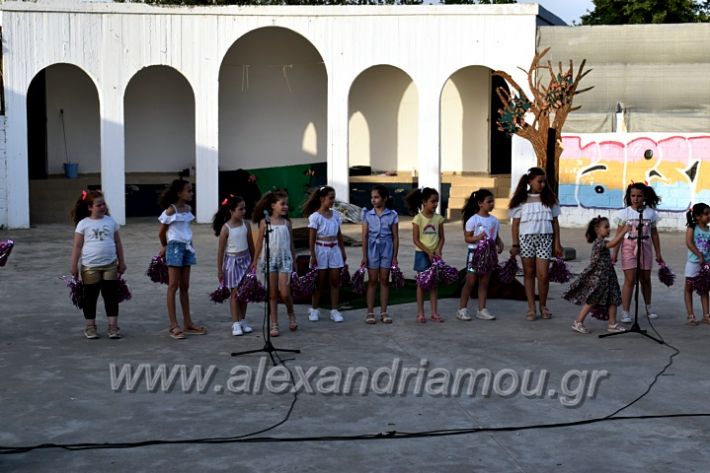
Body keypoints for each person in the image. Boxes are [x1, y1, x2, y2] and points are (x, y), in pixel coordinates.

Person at [509, 167, 563, 321]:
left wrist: (557, 244)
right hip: (526, 240)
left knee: (544, 275)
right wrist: (515, 244)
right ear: (530, 181)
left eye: (544, 182)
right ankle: (531, 307)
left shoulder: (550, 199)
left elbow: (555, 222)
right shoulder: (521, 200)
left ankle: (543, 305)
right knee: (529, 273)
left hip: (545, 239)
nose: (543, 185)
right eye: (539, 181)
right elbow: (515, 224)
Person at [70, 190, 126, 339]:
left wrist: (122, 261)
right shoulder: (83, 224)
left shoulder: (110, 221)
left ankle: (113, 326)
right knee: (90, 297)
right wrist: (74, 265)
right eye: (98, 205)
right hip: (90, 267)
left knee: (111, 296)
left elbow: (118, 243)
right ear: (89, 207)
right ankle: (90, 326)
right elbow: (77, 246)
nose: (102, 207)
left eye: (104, 204)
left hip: (110, 265)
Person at [158, 179, 206, 340]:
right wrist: (165, 246)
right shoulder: (171, 211)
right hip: (175, 247)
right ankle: (173, 325)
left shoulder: (188, 209)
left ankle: (188, 322)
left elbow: (185, 228)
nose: (191, 193)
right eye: (188, 190)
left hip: (187, 247)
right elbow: (162, 232)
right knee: (173, 285)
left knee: (185, 285)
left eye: (191, 190)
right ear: (179, 193)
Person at [564, 216, 629, 334]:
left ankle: (612, 324)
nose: (609, 229)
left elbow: (614, 242)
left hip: (608, 276)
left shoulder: (603, 242)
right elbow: (614, 243)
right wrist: (623, 231)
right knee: (592, 299)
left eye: (609, 226)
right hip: (599, 277)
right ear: (597, 229)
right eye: (606, 227)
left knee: (613, 298)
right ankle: (578, 322)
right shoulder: (599, 243)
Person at [611, 182, 664, 322]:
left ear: (644, 196)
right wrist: (614, 253)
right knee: (630, 280)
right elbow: (618, 234)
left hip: (645, 247)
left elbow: (654, 234)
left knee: (645, 279)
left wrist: (658, 252)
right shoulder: (625, 213)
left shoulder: (650, 213)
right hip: (629, 247)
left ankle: (648, 307)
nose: (635, 199)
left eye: (639, 196)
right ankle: (626, 312)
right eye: (633, 195)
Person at [252, 190, 297, 337]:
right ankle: (274, 323)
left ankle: (291, 314)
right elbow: (259, 242)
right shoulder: (265, 222)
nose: (285, 207)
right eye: (282, 204)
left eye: (287, 204)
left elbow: (291, 244)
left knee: (284, 293)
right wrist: (255, 259)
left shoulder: (287, 223)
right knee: (272, 294)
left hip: (284, 260)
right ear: (272, 205)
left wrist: (294, 260)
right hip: (269, 260)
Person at [303, 186, 348, 323]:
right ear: (322, 199)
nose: (333, 201)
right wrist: (313, 255)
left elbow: (339, 234)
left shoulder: (335, 215)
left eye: (334, 198)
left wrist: (342, 250)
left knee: (335, 280)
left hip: (334, 250)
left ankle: (334, 310)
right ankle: (315, 309)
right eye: (330, 198)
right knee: (319, 282)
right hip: (320, 250)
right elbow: (312, 238)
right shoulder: (315, 217)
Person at [457, 189, 503, 322]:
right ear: (480, 203)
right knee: (471, 281)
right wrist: (478, 237)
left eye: (493, 201)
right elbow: (468, 238)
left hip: (488, 255)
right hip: (475, 254)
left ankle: (482, 309)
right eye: (489, 202)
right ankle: (462, 309)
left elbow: (496, 235)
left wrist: (499, 243)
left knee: (484, 282)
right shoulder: (473, 220)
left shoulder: (494, 220)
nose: (492, 204)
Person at [213, 195, 255, 336]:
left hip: (246, 261)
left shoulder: (246, 225)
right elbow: (220, 251)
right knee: (235, 294)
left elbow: (251, 245)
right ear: (231, 210)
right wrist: (220, 270)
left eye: (244, 208)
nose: (243, 211)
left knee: (244, 294)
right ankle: (235, 323)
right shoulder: (226, 228)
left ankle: (242, 320)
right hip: (232, 263)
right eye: (240, 209)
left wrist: (253, 262)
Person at [405, 187, 445, 324]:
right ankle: (420, 313)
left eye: (437, 202)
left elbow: (442, 238)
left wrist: (438, 250)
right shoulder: (418, 219)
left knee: (434, 284)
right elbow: (416, 239)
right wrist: (428, 252)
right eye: (432, 201)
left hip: (435, 255)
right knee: (421, 284)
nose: (435, 204)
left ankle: (434, 313)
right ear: (424, 202)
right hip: (422, 254)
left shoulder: (439, 219)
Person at [361, 185, 399, 324]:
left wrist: (394, 256)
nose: (373, 200)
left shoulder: (392, 215)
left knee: (384, 279)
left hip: (387, 248)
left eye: (376, 197)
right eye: (372, 197)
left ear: (385, 198)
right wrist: (364, 256)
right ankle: (370, 312)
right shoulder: (367, 214)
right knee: (372, 280)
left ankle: (384, 311)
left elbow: (395, 237)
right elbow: (364, 236)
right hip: (372, 249)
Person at [683, 203, 710, 326]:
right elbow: (689, 242)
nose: (709, 216)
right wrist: (699, 255)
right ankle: (691, 315)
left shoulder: (709, 230)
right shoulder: (692, 228)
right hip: (693, 262)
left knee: (704, 288)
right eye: (706, 214)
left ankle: (706, 315)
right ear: (698, 216)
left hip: (706, 263)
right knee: (689, 287)